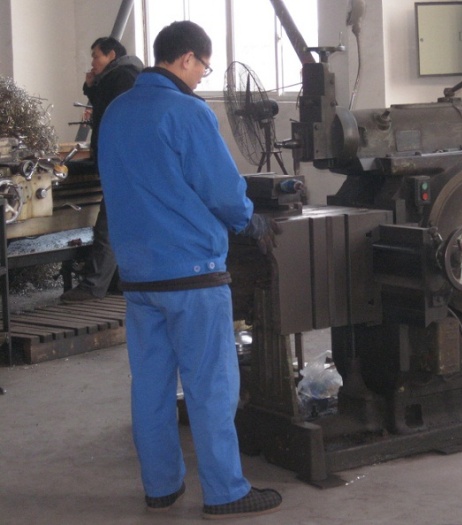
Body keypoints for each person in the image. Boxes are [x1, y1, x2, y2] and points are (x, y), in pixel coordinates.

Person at [97, 21, 282, 518]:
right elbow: (222, 191)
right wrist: (250, 221)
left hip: (138, 278)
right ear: (186, 59)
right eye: (204, 66)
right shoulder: (188, 112)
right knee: (211, 387)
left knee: (151, 387)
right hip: (192, 273)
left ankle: (161, 487)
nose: (203, 75)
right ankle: (225, 492)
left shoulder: (116, 112)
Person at [61, 37, 143, 303]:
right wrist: (91, 87)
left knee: (109, 225)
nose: (93, 62)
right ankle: (119, 281)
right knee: (120, 224)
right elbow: (103, 105)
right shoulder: (119, 76)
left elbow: (115, 118)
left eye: (96, 56)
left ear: (111, 55)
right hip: (124, 161)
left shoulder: (123, 77)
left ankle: (94, 285)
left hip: (123, 162)